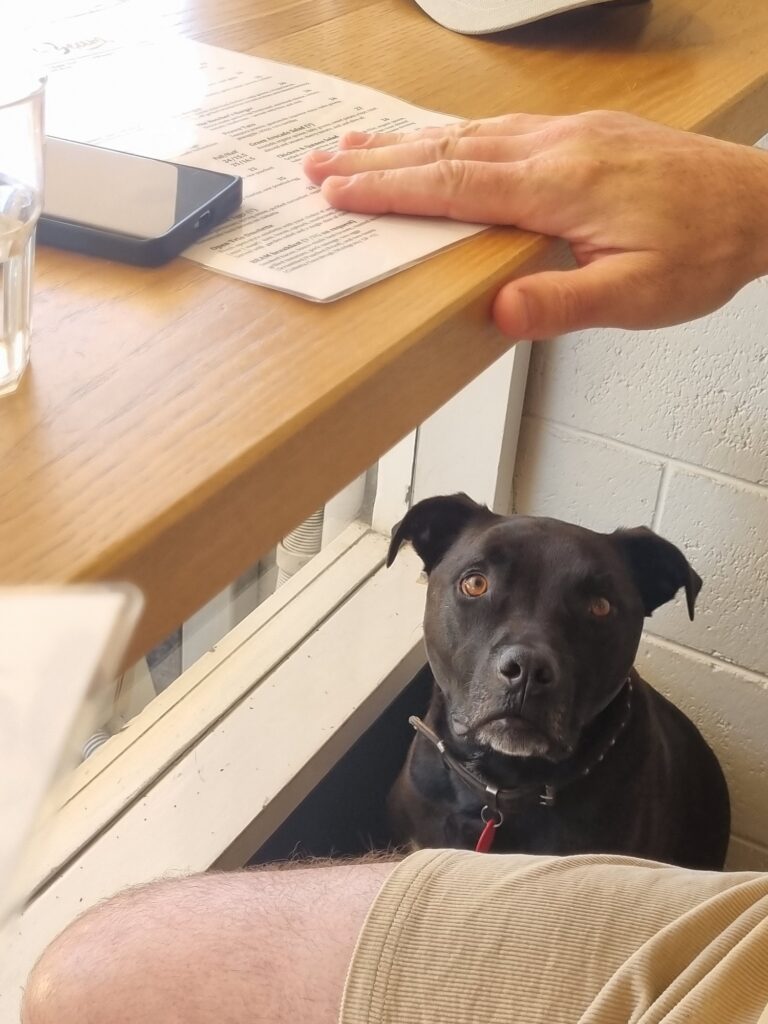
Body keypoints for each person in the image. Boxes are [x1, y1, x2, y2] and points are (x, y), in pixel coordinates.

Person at [21, 112, 768, 1024]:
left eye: (595, 610)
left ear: (650, 603)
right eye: (480, 588)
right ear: (429, 564)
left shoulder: (626, 806)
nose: (525, 655)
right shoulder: (429, 745)